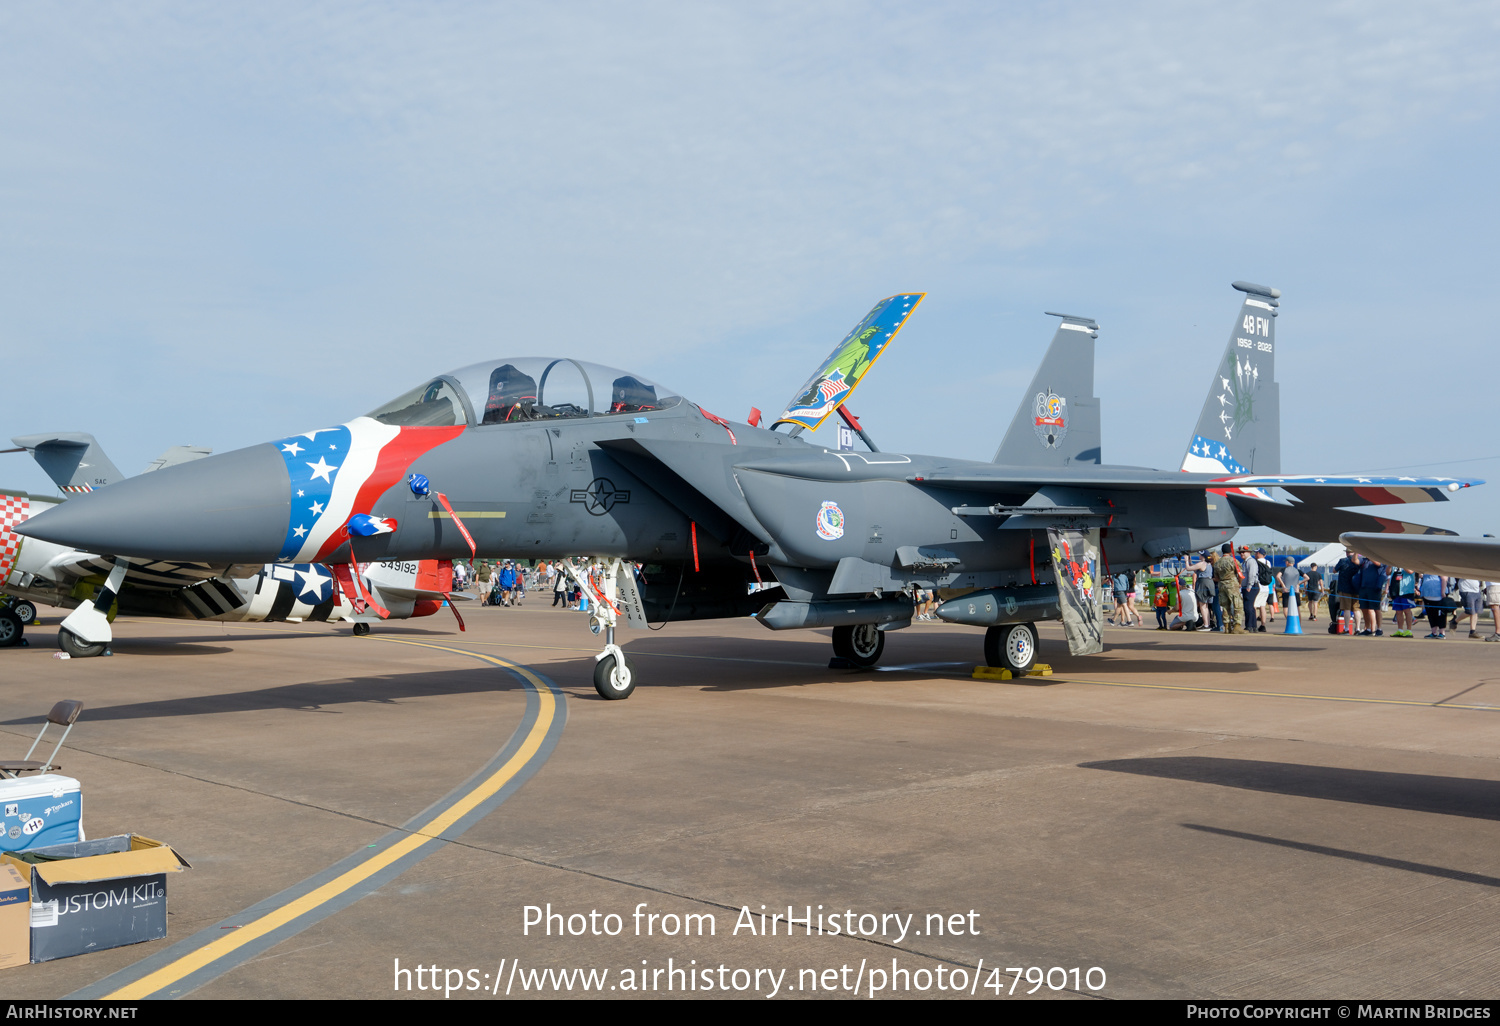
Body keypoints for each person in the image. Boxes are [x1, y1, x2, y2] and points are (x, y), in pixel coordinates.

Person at [1214, 543, 1247, 634]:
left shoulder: (1217, 562)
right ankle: (1237, 626)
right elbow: (1240, 574)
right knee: (1237, 605)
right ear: (1230, 551)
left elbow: (1216, 578)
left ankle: (1227, 626)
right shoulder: (1234, 561)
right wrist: (1239, 583)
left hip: (1221, 585)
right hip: (1232, 584)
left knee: (1225, 606)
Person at [1357, 556, 1388, 636]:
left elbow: (1378, 563)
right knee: (1364, 609)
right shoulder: (1364, 560)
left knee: (1375, 609)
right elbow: (1355, 561)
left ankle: (1378, 629)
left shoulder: (1379, 557)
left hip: (1374, 587)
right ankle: (1367, 628)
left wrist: (1369, 555)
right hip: (1363, 587)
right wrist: (1355, 551)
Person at [1388, 565, 1417, 638]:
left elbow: (1410, 571)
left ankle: (1409, 630)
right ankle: (1400, 630)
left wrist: (1401, 564)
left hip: (1406, 590)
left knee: (1407, 610)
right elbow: (1387, 572)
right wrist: (1389, 564)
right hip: (1396, 590)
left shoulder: (1408, 562)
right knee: (1398, 611)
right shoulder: (1394, 564)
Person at [1418, 572, 1449, 638]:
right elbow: (1421, 576)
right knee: (1431, 614)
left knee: (1441, 615)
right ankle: (1433, 632)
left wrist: (1443, 592)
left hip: (1438, 594)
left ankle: (1442, 633)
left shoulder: (1438, 568)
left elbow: (1444, 579)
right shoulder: (1426, 568)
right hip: (1427, 594)